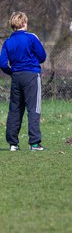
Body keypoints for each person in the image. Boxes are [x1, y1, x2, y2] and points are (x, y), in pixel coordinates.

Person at [0, 12, 47, 151]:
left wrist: (12, 72)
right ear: (24, 23)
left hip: (16, 76)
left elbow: (2, 64)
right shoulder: (31, 38)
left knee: (15, 109)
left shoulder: (8, 42)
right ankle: (34, 143)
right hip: (32, 75)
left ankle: (13, 143)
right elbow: (42, 56)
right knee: (34, 109)